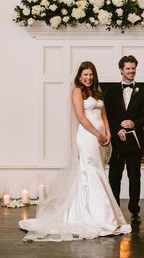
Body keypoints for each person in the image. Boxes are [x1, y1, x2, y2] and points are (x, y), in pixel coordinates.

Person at [19, 61, 131, 241]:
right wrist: (97, 134)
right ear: (79, 76)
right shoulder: (77, 91)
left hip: (101, 136)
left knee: (98, 172)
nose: (88, 77)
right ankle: (99, 217)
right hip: (87, 137)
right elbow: (80, 117)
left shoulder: (97, 91)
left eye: (91, 74)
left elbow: (103, 115)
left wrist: (108, 133)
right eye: (85, 74)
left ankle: (96, 212)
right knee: (92, 172)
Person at [104, 55, 144, 224]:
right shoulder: (110, 92)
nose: (131, 71)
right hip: (117, 141)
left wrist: (134, 123)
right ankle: (114, 208)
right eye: (128, 68)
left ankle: (134, 209)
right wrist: (117, 129)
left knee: (134, 176)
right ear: (121, 70)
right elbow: (107, 115)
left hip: (135, 142)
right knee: (114, 176)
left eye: (133, 68)